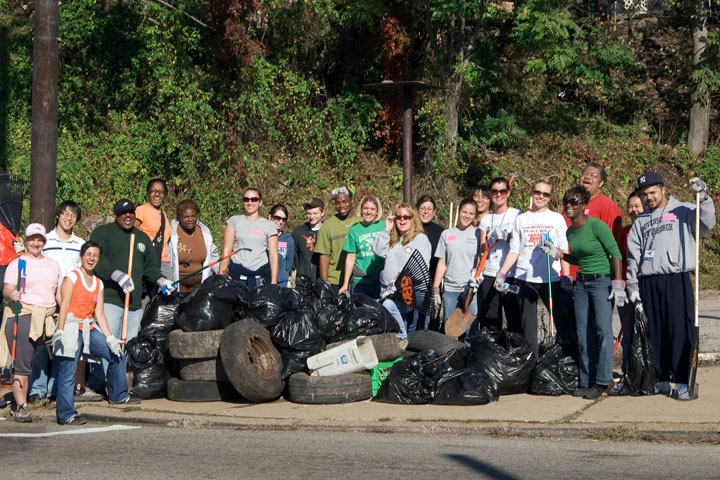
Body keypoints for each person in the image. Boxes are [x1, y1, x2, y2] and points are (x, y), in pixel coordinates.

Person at [626, 173, 716, 399]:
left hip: (675, 278)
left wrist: (703, 198)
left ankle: (682, 380)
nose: (649, 198)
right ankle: (660, 379)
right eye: (645, 194)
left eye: (653, 192)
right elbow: (633, 255)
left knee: (678, 329)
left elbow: (707, 223)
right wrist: (633, 286)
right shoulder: (641, 221)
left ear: (663, 190)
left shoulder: (683, 210)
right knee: (654, 331)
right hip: (648, 282)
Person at [543, 186, 623, 400]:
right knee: (583, 332)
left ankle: (602, 380)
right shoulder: (570, 231)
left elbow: (614, 253)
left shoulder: (597, 226)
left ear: (584, 205)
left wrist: (617, 282)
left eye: (574, 202)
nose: (568, 206)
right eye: (566, 202)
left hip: (601, 282)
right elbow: (579, 260)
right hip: (582, 284)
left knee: (602, 331)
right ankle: (586, 380)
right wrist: (559, 254)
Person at [87, 199, 173, 393]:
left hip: (133, 303)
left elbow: (150, 266)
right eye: (122, 213)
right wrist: (115, 274)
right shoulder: (102, 233)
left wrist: (160, 280)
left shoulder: (141, 238)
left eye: (130, 212)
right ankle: (100, 385)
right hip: (109, 299)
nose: (127, 216)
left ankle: (119, 388)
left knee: (128, 346)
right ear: (116, 215)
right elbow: (96, 260)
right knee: (108, 344)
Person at [54, 241, 140, 425]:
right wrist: (60, 330)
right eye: (88, 254)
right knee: (68, 372)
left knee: (117, 354)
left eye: (95, 255)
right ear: (82, 256)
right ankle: (66, 414)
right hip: (70, 325)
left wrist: (109, 337)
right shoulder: (72, 277)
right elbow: (65, 304)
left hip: (89, 327)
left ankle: (118, 394)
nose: (91, 258)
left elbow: (99, 313)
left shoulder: (98, 283)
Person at [28, 201, 99, 404]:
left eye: (73, 215)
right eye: (65, 214)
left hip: (72, 302)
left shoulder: (80, 244)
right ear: (58, 215)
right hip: (45, 299)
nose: (69, 218)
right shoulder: (45, 240)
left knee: (66, 346)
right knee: (41, 345)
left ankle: (57, 389)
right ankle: (37, 389)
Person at [495, 180, 571, 358]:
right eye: (538, 192)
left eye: (546, 194)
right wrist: (502, 273)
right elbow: (514, 250)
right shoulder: (521, 219)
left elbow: (564, 249)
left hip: (550, 279)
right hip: (524, 278)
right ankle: (533, 365)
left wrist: (566, 277)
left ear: (550, 197)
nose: (541, 197)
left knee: (562, 322)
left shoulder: (556, 218)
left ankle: (562, 360)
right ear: (532, 193)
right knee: (528, 328)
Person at [0, 224, 62, 422]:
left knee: (66, 352)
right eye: (32, 239)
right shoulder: (17, 263)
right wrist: (12, 294)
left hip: (48, 317)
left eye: (39, 239)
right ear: (26, 242)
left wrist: (65, 314)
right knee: (22, 364)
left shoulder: (53, 265)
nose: (36, 243)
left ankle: (67, 395)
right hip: (24, 314)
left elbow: (58, 292)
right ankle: (21, 405)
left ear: (44, 242)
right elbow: (7, 290)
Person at [373, 203, 431, 340]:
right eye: (398, 217)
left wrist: (402, 282)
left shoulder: (420, 239)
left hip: (408, 291)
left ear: (413, 219)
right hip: (387, 289)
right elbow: (378, 251)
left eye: (406, 217)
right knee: (395, 319)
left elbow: (421, 267)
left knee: (391, 309)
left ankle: (402, 338)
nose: (402, 220)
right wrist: (387, 229)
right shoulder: (392, 239)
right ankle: (400, 347)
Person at [563, 163, 622, 279]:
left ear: (601, 183)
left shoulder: (607, 206)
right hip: (569, 272)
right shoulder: (570, 205)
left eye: (593, 175)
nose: (588, 177)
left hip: (596, 275)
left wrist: (616, 280)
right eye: (584, 173)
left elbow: (613, 246)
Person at [477, 177, 522, 331]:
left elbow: (521, 244)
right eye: (495, 191)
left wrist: (505, 236)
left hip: (509, 274)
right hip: (490, 273)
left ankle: (514, 349)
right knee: (490, 316)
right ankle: (492, 349)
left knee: (513, 313)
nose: (498, 194)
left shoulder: (517, 215)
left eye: (502, 191)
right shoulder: (486, 219)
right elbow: (483, 249)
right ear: (490, 193)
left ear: (508, 193)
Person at [432, 198, 478, 332]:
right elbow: (442, 263)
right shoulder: (447, 234)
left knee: (470, 330)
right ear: (459, 211)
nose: (467, 216)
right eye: (464, 212)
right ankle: (453, 352)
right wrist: (436, 289)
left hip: (470, 290)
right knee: (451, 330)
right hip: (450, 290)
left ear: (474, 215)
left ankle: (470, 351)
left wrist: (477, 280)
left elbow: (482, 260)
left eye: (471, 213)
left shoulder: (478, 234)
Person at [219, 188, 278, 287]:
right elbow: (226, 251)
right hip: (237, 276)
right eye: (246, 199)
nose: (250, 202)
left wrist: (273, 282)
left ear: (260, 202)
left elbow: (273, 255)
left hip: (260, 278)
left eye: (254, 199)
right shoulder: (234, 221)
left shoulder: (269, 225)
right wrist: (221, 275)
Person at [615, 190, 647, 373]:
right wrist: (619, 283)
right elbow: (618, 256)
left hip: (647, 285)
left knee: (648, 329)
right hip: (627, 287)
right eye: (630, 207)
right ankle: (629, 371)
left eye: (637, 206)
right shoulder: (625, 232)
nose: (634, 210)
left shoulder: (651, 228)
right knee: (628, 331)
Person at [168, 199, 219, 293]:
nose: (190, 220)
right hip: (177, 284)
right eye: (186, 217)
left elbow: (213, 255)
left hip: (199, 284)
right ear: (179, 217)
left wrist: (220, 270)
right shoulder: (171, 234)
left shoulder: (205, 233)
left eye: (193, 216)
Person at [339, 195, 385, 298]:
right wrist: (345, 284)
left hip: (382, 281)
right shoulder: (354, 230)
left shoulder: (385, 226)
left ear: (377, 211)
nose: (369, 212)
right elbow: (350, 258)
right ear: (361, 209)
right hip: (361, 282)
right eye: (366, 208)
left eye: (372, 209)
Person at [316, 187, 358, 292]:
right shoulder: (328, 226)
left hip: (357, 280)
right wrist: (325, 285)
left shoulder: (361, 223)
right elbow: (324, 256)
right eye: (337, 203)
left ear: (352, 201)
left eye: (345, 201)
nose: (341, 206)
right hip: (334, 280)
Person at [416, 195, 444, 331]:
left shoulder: (441, 232)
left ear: (434, 212)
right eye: (422, 208)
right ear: (417, 210)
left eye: (429, 209)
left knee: (431, 319)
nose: (426, 212)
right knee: (414, 320)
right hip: (413, 283)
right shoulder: (409, 228)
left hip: (433, 283)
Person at [135, 178, 173, 279]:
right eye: (153, 191)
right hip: (149, 261)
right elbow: (132, 230)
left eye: (161, 192)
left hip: (165, 261)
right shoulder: (141, 210)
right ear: (148, 193)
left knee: (169, 292)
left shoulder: (163, 214)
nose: (157, 195)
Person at [292, 197, 324, 281]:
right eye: (309, 213)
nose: (311, 216)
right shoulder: (298, 231)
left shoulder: (328, 231)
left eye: (315, 213)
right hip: (303, 281)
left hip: (322, 281)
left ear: (322, 213)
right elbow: (294, 256)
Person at [269, 204, 294, 287]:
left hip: (281, 282)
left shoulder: (288, 239)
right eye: (277, 218)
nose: (280, 222)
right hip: (264, 279)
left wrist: (284, 275)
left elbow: (289, 263)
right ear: (270, 217)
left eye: (283, 219)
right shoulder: (262, 237)